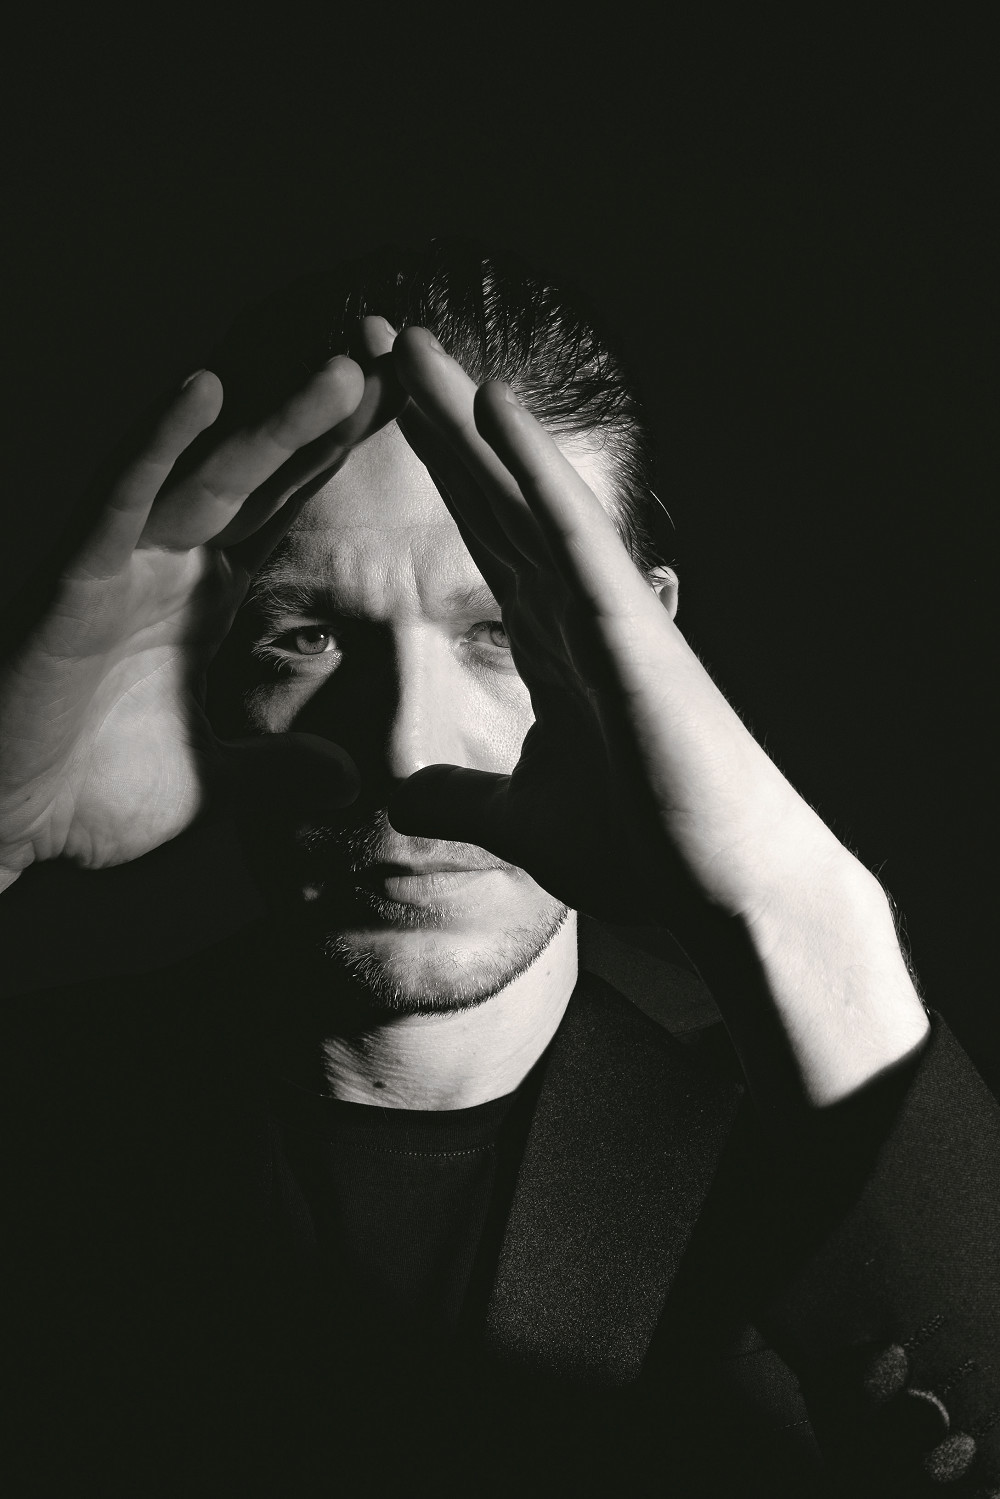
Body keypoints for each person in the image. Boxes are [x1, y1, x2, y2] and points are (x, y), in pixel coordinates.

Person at [1, 240, 998, 1497]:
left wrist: (802, 902)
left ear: (652, 658)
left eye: (502, 631)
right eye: (304, 635)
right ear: (203, 666)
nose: (405, 749)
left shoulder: (822, 1160)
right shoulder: (43, 1121)